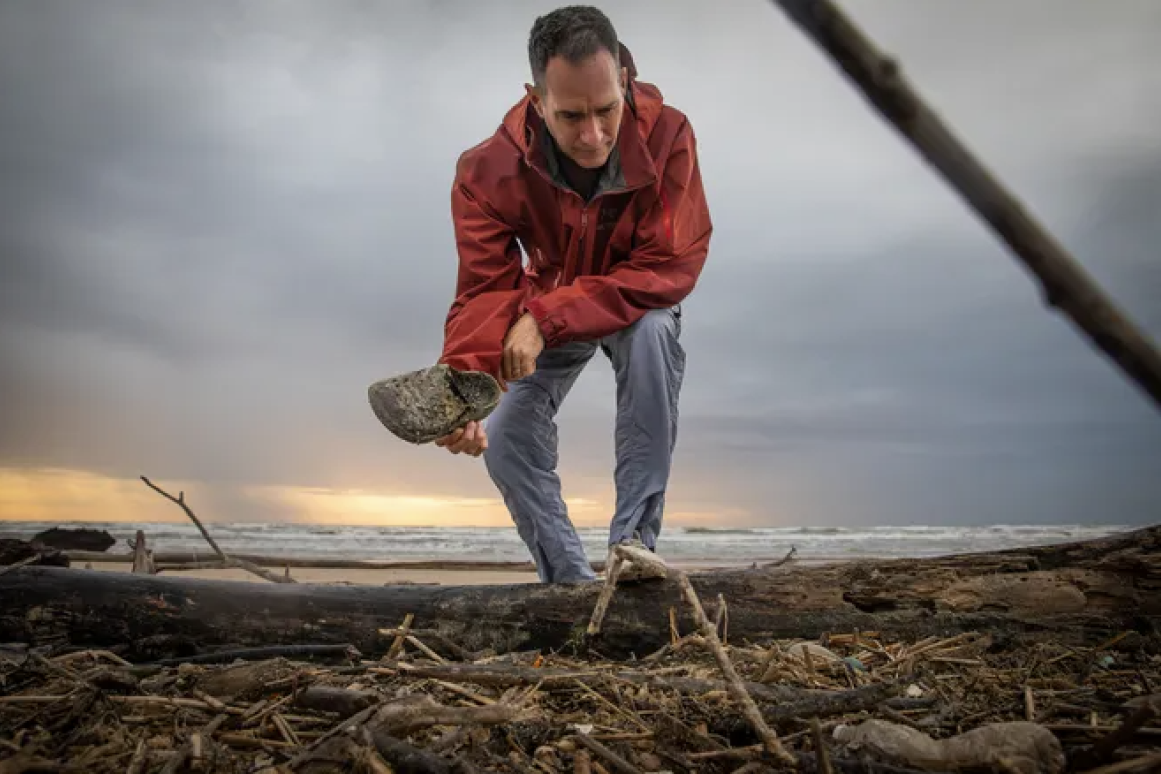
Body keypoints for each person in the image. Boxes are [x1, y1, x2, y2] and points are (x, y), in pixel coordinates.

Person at [371, 5, 712, 583]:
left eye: (606, 110)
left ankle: (633, 553)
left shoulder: (669, 135)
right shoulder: (487, 171)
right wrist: (468, 383)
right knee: (505, 438)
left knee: (653, 331)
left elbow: (670, 263)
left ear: (623, 83)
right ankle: (570, 586)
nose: (594, 135)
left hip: (630, 299)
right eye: (570, 116)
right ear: (535, 98)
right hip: (551, 305)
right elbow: (486, 286)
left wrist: (545, 319)